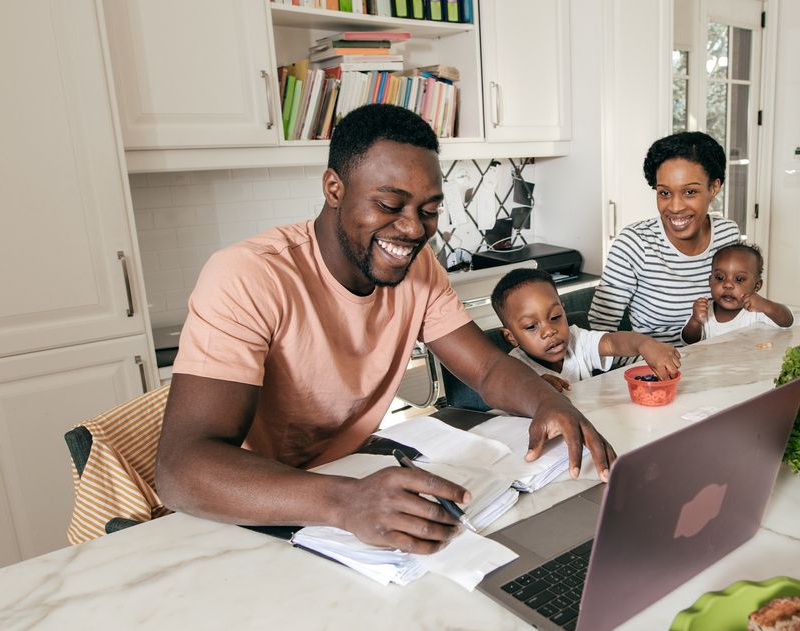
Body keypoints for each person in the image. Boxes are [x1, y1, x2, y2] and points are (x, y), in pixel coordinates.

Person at [157, 104, 615, 556]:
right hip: (258, 507)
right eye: (389, 205)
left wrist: (548, 402)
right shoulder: (249, 276)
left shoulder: (420, 269)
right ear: (334, 188)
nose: (414, 229)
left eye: (430, 210)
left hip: (354, 479)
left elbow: (489, 369)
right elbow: (182, 469)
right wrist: (344, 501)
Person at [588, 131, 740, 346]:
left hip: (719, 359)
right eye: (664, 193)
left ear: (714, 188)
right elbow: (599, 333)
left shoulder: (727, 234)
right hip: (654, 372)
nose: (675, 207)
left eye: (690, 192)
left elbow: (737, 308)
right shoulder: (635, 244)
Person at [491, 268, 682, 392]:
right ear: (511, 337)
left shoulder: (577, 339)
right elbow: (506, 391)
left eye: (555, 317)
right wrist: (532, 390)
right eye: (532, 326)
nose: (549, 331)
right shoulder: (514, 369)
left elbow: (611, 342)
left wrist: (644, 344)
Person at [681, 244, 793, 344]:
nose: (728, 285)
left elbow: (787, 321)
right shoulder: (705, 311)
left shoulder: (756, 311)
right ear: (710, 281)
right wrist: (695, 321)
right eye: (720, 278)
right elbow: (689, 341)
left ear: (756, 286)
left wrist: (766, 306)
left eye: (739, 279)